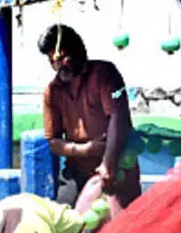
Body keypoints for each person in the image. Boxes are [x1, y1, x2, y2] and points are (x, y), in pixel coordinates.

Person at [40, 25, 141, 208]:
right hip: (76, 169)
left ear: (80, 52)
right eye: (52, 61)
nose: (58, 66)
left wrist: (108, 162)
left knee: (124, 225)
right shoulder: (52, 91)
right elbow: (53, 142)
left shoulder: (105, 74)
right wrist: (86, 150)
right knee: (62, 217)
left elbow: (118, 116)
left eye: (63, 58)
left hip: (118, 166)